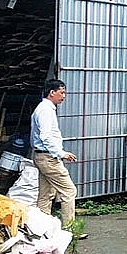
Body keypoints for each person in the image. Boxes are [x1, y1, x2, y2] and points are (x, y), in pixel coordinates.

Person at [31, 79, 81, 231]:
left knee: (46, 194)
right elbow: (46, 136)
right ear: (52, 92)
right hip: (48, 157)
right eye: (62, 92)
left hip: (43, 156)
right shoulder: (45, 110)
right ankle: (69, 229)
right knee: (69, 191)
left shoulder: (45, 108)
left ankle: (41, 228)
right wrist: (61, 153)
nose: (64, 96)